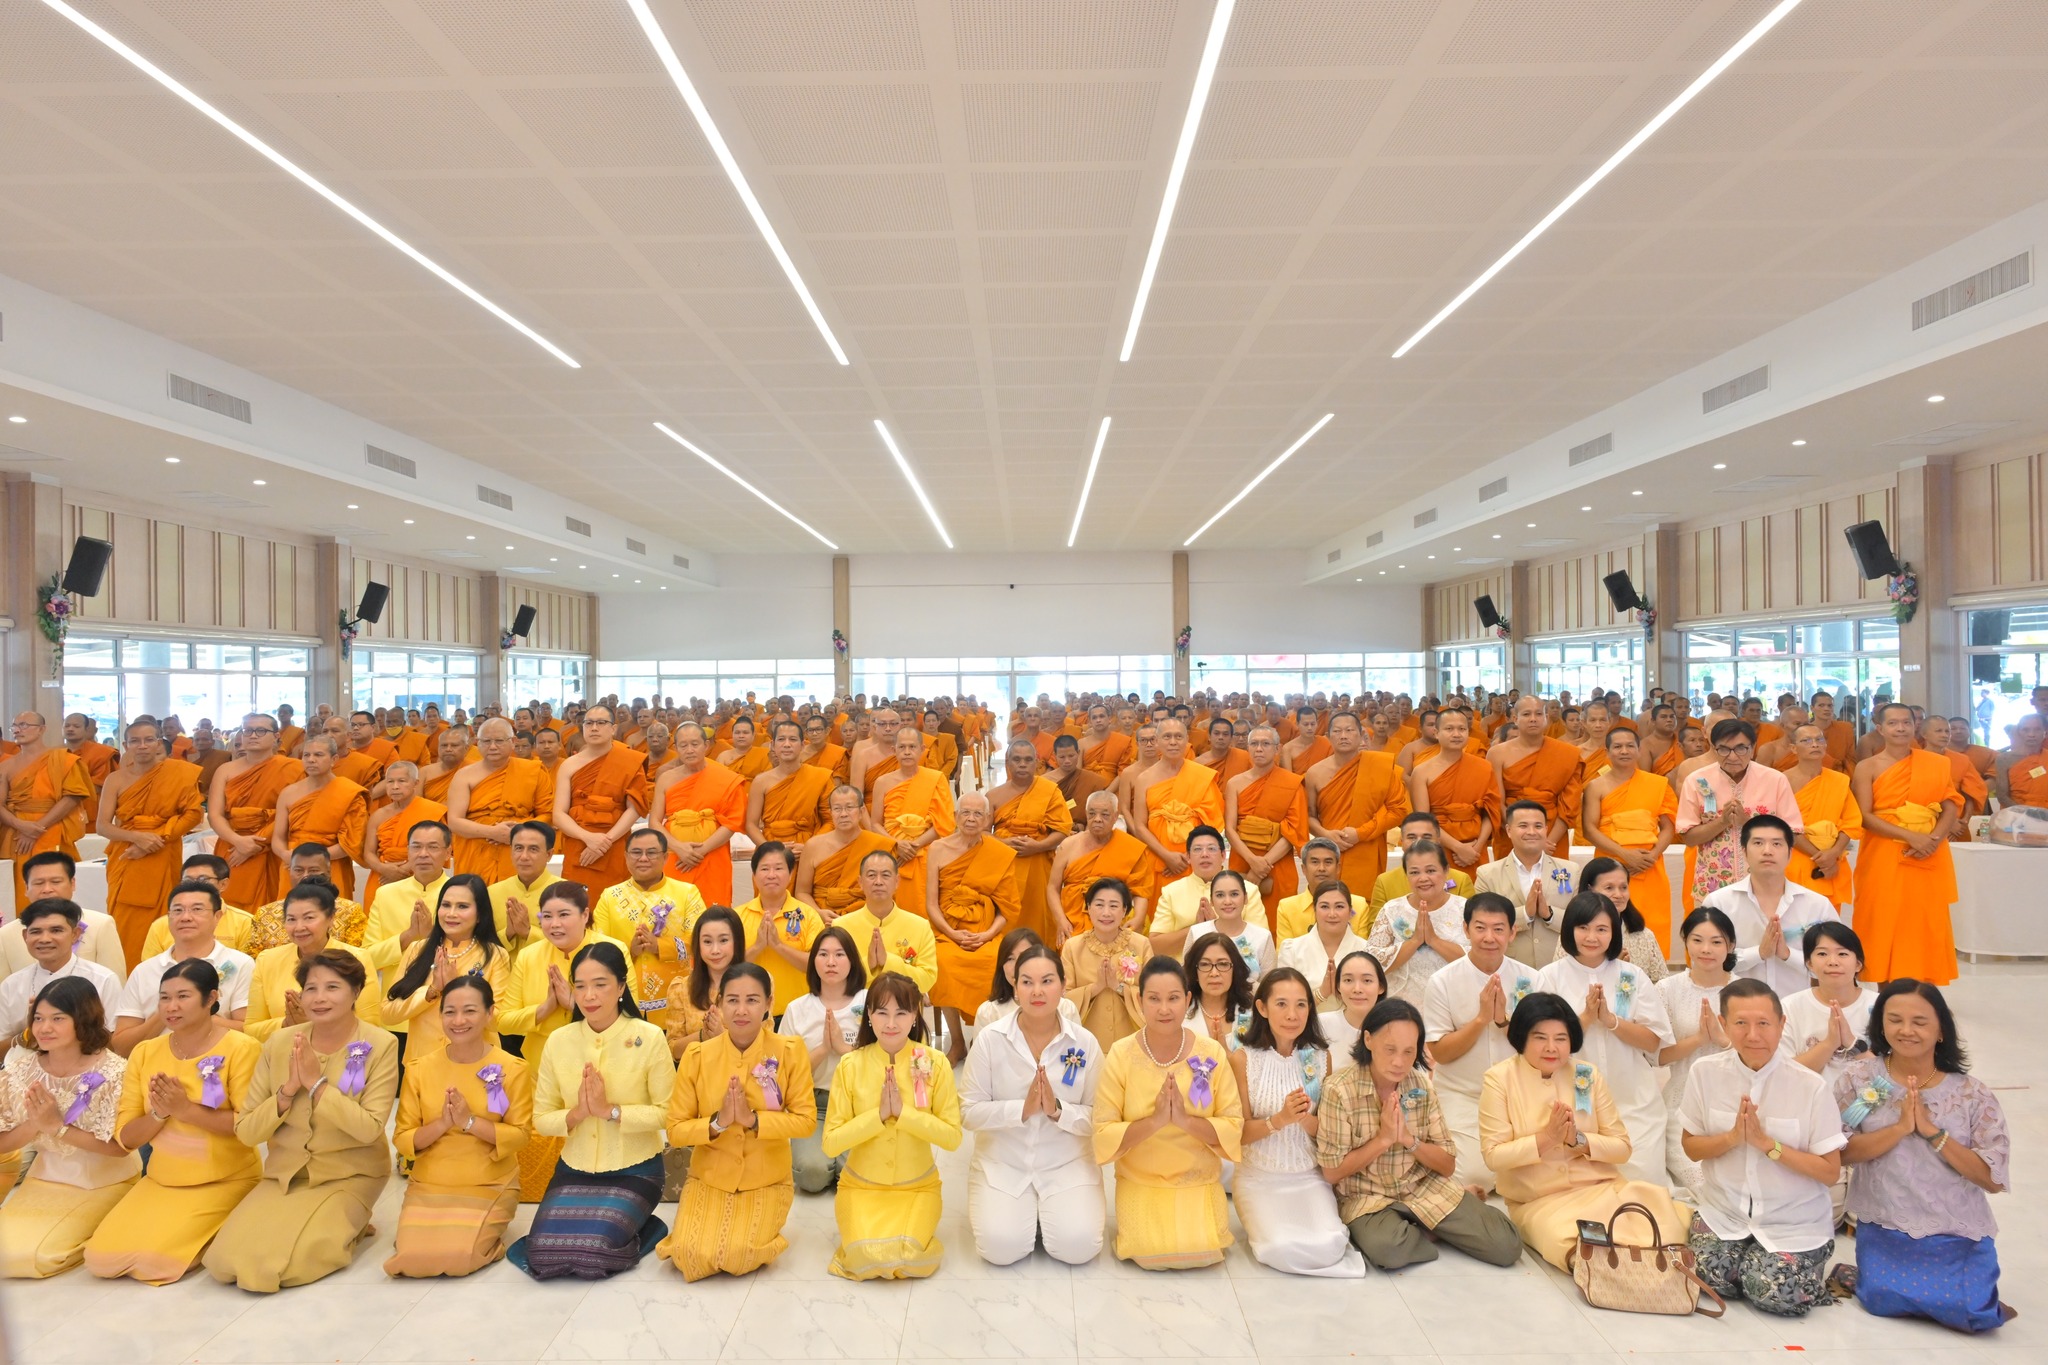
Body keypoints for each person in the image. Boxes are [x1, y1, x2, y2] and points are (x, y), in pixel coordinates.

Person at [203, 950, 398, 1292]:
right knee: (224, 1264)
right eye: (311, 988)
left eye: (333, 987)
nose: (320, 998)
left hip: (351, 1171)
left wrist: (317, 1085)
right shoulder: (279, 1043)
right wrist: (287, 1091)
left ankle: (353, 1222)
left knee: (280, 1269)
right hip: (286, 1173)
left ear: (355, 992)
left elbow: (370, 1129)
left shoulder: (380, 1044)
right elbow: (246, 1131)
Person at [1833, 978, 2011, 1331]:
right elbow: (1840, 1153)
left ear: (1941, 1029)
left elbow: (1992, 1179)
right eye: (1895, 1019)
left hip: (1956, 1233)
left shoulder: (1970, 1094)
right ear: (1881, 1025)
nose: (1906, 1030)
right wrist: (1898, 1129)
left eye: (1919, 1021)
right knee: (1881, 1301)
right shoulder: (1867, 1083)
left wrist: (1933, 1133)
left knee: (1974, 1314)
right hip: (1887, 1227)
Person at [1478, 992, 1688, 1269]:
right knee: (1580, 1246)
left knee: (1662, 1222)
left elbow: (1622, 1148)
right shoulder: (1499, 1079)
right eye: (1540, 1038)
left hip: (1601, 1187)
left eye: (1561, 1039)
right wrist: (1547, 1139)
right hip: (1540, 1200)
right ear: (1521, 1038)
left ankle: (1652, 1268)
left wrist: (1577, 1140)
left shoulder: (1587, 1074)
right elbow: (1494, 1156)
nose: (1551, 1048)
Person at [83, 960, 261, 1283]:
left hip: (224, 1178)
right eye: (164, 997)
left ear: (211, 999)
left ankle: (232, 1219)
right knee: (101, 1260)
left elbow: (249, 1127)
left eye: (183, 996)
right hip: (162, 1179)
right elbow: (127, 1137)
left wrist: (186, 1110)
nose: (171, 1006)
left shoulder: (242, 1048)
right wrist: (159, 1114)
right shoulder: (146, 1052)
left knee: (156, 1265)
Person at [1677, 979, 1844, 1317]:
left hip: (1794, 1225)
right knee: (1705, 1274)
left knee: (1770, 1290)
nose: (1753, 1035)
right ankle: (1749, 1262)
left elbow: (1829, 1172)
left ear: (1782, 1025)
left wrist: (1768, 1145)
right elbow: (1691, 1148)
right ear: (1723, 1025)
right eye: (1740, 1023)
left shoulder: (1810, 1086)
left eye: (1764, 1023)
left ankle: (1770, 1267)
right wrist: (1731, 1139)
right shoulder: (1705, 1073)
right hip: (1725, 1214)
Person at [510, 941, 676, 1279]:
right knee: (543, 1256)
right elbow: (541, 1119)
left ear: (619, 986)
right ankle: (623, 1226)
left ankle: (649, 1228)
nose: (589, 996)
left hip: (637, 1168)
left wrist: (610, 1111)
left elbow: (667, 1112)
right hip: (576, 1166)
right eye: (580, 986)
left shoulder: (649, 1036)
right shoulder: (560, 1040)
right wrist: (578, 1114)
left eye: (600, 985)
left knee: (593, 1254)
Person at [1317, 998, 1522, 1271]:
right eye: (1390, 1049)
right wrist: (1383, 1139)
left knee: (1506, 1245)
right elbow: (1332, 1172)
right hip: (1366, 1198)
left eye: (1408, 1051)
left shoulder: (1420, 1085)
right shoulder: (1339, 1090)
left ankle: (1421, 1225)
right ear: (1368, 1040)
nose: (1399, 1062)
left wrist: (1409, 1141)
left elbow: (1447, 1164)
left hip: (1423, 1188)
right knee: (1388, 1251)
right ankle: (1430, 1228)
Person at [659, 961, 815, 1281]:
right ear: (719, 1004)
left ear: (769, 1004)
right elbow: (675, 1130)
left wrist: (753, 1120)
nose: (741, 1010)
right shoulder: (697, 1057)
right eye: (732, 1000)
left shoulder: (788, 1051)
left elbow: (805, 1121)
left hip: (766, 1178)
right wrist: (717, 1123)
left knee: (738, 1255)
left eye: (752, 1000)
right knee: (690, 1256)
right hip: (710, 1177)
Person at [1092, 956, 1243, 1270]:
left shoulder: (1210, 1052)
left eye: (1174, 998)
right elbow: (1103, 1131)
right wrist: (1156, 1121)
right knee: (1148, 1253)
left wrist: (1185, 1121)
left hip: (1197, 1178)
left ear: (1188, 999)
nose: (1164, 1009)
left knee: (1203, 1251)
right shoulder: (1121, 1053)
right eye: (1154, 999)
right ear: (1139, 1000)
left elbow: (1232, 1123)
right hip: (1141, 1178)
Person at [960, 944, 1105, 1266]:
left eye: (1047, 981)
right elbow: (968, 1112)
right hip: (1003, 1162)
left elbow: (1101, 1117)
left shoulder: (1084, 1043)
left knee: (1079, 1248)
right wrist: (1019, 1111)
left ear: (1064, 986)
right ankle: (1024, 1213)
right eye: (1027, 982)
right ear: (1014, 987)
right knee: (1000, 1250)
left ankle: (1049, 1211)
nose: (1037, 991)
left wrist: (1058, 1111)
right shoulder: (991, 1039)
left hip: (1066, 1162)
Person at [384, 975, 530, 1277]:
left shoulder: (512, 1068)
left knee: (461, 1258)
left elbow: (520, 1136)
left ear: (490, 1014)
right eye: (449, 1011)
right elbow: (402, 1138)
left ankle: (488, 1238)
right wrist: (443, 1123)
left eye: (470, 1011)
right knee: (410, 1260)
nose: (458, 1020)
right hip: (431, 1181)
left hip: (488, 1180)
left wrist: (469, 1122)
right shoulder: (419, 1069)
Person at [821, 969, 963, 1279]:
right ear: (868, 1015)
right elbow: (830, 1142)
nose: (891, 1023)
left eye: (901, 1012)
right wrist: (878, 1117)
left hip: (918, 1188)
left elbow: (953, 1138)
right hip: (860, 1187)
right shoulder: (851, 1065)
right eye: (881, 1012)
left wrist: (904, 1114)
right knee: (864, 1258)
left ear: (915, 1015)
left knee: (909, 1257)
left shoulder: (933, 1062)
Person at [1228, 967, 1365, 1276]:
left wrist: (1303, 1120)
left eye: (1301, 1004)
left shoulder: (1319, 1057)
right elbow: (1237, 1135)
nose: (1292, 1014)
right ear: (1261, 1008)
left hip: (1307, 1174)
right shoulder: (1243, 1060)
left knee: (1331, 1243)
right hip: (1259, 1177)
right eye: (1281, 1004)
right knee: (1280, 1248)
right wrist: (1280, 1119)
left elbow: (1329, 1132)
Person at [0, 978, 141, 1277]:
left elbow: (120, 1148)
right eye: (38, 1018)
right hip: (45, 1178)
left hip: (104, 1180)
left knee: (32, 1259)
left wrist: (56, 1126)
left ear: (84, 1019)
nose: (44, 1028)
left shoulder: (114, 1071)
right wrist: (35, 1125)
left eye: (57, 1019)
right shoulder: (19, 1070)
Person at [1535, 893, 1675, 1186]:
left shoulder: (1632, 976)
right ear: (1570, 930)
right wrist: (1585, 1018)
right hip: (1570, 1101)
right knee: (1581, 1186)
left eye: (1602, 929)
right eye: (1583, 927)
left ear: (1614, 932)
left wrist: (1611, 1021)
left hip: (1632, 1099)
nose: (1591, 937)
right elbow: (1539, 1049)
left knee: (1643, 1183)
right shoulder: (1550, 978)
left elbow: (1653, 1042)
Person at [1420, 892, 1533, 1192]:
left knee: (1534, 1173)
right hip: (1463, 1094)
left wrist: (1503, 1022)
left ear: (1512, 932)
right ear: (1466, 929)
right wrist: (1481, 1020)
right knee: (1473, 1176)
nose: (1489, 937)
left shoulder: (1532, 980)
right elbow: (1440, 1053)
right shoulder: (1442, 981)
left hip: (1520, 1093)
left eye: (1498, 929)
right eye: (1480, 927)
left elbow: (1542, 1049)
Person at [1853, 702, 1963, 985]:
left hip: (1928, 851)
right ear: (1880, 729)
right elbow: (1864, 816)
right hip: (1884, 853)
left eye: (1906, 722)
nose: (1901, 728)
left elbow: (1950, 804)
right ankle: (1885, 989)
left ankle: (1924, 988)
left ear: (1916, 726)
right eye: (1893, 723)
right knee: (1884, 918)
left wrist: (1934, 839)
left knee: (1923, 920)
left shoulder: (1936, 764)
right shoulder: (1867, 767)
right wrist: (1911, 837)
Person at [97, 717, 205, 968]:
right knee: (125, 917)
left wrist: (157, 839)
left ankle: (165, 973)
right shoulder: (116, 779)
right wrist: (136, 838)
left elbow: (192, 814)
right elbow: (103, 826)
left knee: (164, 916)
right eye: (135, 741)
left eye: (148, 740)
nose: (142, 746)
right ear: (125, 745)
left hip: (163, 851)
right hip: (126, 856)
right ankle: (126, 975)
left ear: (158, 743)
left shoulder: (179, 773)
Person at [112, 880, 255, 1054]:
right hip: (155, 1070)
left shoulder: (240, 964)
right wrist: (165, 1013)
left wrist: (197, 1012)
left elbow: (249, 1032)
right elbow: (121, 1046)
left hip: (216, 1069)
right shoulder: (144, 970)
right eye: (178, 910)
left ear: (217, 917)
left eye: (197, 909)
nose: (186, 917)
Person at [1702, 815, 1838, 997]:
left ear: (1790, 853)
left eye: (1776, 844)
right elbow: (1707, 962)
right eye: (1758, 843)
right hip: (1736, 1012)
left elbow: (1835, 964)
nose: (1767, 851)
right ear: (1744, 852)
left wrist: (1788, 955)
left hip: (1795, 1014)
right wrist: (1758, 953)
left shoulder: (1816, 904)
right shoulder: (1718, 903)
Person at [927, 792, 1019, 1060]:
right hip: (947, 931)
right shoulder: (938, 849)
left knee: (995, 962)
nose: (971, 818)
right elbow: (932, 904)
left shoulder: (998, 852)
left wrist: (987, 934)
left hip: (987, 932)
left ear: (988, 819)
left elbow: (1008, 909)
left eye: (978, 814)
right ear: (955, 817)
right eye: (965, 812)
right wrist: (952, 933)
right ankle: (957, 1042)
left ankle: (987, 1041)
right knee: (942, 961)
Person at [381, 874, 511, 1060]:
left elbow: (498, 1021)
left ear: (480, 914)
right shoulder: (417, 950)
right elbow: (387, 1014)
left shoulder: (495, 955)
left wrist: (455, 990)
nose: (451, 913)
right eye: (446, 905)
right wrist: (432, 991)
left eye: (462, 907)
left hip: (476, 1063)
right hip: (422, 1064)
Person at [1677, 718, 1804, 905]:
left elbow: (1792, 832)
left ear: (1752, 749)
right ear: (1713, 748)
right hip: (1713, 884)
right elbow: (1688, 837)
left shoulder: (1774, 780)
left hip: (1765, 883)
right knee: (1714, 934)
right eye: (1724, 749)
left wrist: (1748, 823)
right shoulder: (1697, 780)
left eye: (1741, 748)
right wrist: (1722, 822)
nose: (1733, 756)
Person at [594, 827, 708, 1036]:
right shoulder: (610, 897)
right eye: (636, 852)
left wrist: (659, 946)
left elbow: (702, 942)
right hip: (623, 997)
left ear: (665, 857)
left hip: (675, 997)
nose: (643, 858)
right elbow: (597, 949)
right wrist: (631, 950)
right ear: (626, 857)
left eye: (652, 852)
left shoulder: (687, 893)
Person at [779, 927, 867, 1194]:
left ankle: (842, 1162)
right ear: (812, 961)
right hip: (814, 1104)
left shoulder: (870, 1000)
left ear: (852, 961)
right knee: (811, 1176)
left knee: (858, 1176)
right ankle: (827, 1160)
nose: (831, 962)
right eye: (823, 954)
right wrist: (823, 1050)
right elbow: (785, 1075)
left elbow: (883, 1062)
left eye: (839, 954)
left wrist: (843, 1048)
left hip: (858, 1104)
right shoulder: (797, 1008)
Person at [1656, 907, 1736, 1191]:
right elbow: (1659, 1057)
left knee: (1739, 1180)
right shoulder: (1667, 989)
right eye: (1697, 940)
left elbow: (1760, 1057)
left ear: (1730, 946)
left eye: (1716, 942)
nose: (1706, 949)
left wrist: (1723, 1040)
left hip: (1735, 1103)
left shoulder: (1746, 990)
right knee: (1702, 1183)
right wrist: (1700, 1039)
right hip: (1681, 1104)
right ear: (1685, 941)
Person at [246, 881, 385, 1042]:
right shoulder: (268, 959)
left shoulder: (357, 958)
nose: (299, 927)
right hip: (283, 1055)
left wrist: (313, 1023)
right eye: (291, 919)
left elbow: (370, 1025)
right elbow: (251, 1029)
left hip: (342, 1057)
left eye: (309, 918)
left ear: (331, 918)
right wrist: (286, 1023)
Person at [1581, 725, 1678, 957]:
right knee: (1607, 916)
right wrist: (1624, 857)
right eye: (1617, 746)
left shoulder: (1658, 784)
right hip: (1610, 863)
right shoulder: (1596, 786)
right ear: (1607, 751)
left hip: (1649, 863)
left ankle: (1652, 972)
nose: (1624, 751)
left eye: (1629, 746)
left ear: (1638, 749)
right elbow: (1589, 829)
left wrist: (1652, 856)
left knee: (1652, 919)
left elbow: (1669, 826)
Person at [204, 712, 305, 913]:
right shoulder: (225, 770)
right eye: (248, 730)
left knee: (275, 907)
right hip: (232, 846)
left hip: (274, 845)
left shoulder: (294, 768)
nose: (253, 735)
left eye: (261, 731)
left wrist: (255, 842)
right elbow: (215, 815)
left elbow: (295, 812)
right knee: (231, 907)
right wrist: (238, 842)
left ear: (276, 736)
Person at [1303, 712, 1410, 892]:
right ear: (1328, 737)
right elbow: (1308, 816)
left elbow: (1399, 810)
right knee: (1328, 904)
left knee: (1363, 907)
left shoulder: (1379, 766)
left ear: (1361, 735)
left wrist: (1360, 833)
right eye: (1337, 731)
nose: (1343, 736)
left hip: (1366, 848)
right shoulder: (1314, 773)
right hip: (1329, 850)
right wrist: (1326, 834)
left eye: (1349, 730)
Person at [552, 705, 649, 897]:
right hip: (579, 843)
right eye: (589, 723)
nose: (594, 728)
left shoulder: (628, 760)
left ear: (613, 729)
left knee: (614, 901)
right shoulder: (569, 765)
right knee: (576, 902)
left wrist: (606, 841)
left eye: (601, 723)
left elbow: (634, 809)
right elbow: (558, 814)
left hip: (615, 843)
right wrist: (588, 838)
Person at [2, 712, 96, 908]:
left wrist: (38, 827)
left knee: (55, 881)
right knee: (22, 887)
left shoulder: (61, 759)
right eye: (15, 726)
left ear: (42, 729)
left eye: (25, 724)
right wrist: (20, 825)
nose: (18, 730)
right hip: (18, 834)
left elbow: (73, 796)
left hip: (51, 829)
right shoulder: (6, 766)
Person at [984, 740, 1073, 943]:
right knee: (1007, 917)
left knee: (1040, 914)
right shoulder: (994, 795)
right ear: (1007, 762)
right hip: (1005, 866)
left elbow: (1062, 829)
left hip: (1039, 865)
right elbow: (982, 834)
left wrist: (1038, 846)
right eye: (1016, 759)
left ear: (1037, 763)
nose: (1022, 764)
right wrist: (1004, 844)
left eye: (1027, 760)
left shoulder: (1049, 791)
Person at [0, 898, 123, 1041]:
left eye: (56, 930)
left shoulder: (103, 980)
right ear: (25, 936)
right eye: (36, 932)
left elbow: (116, 1044)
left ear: (75, 935)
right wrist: (28, 1035)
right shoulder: (11, 985)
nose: (45, 939)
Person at [1472, 802, 1575, 967]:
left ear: (1546, 830)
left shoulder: (1571, 870)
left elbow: (1581, 921)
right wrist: (1524, 913)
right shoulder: (1487, 874)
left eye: (1538, 826)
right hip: (1510, 966)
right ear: (1508, 831)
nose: (1532, 832)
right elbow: (1480, 923)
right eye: (1523, 826)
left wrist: (1549, 914)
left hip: (1560, 965)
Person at [1365, 841, 1467, 1005]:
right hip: (1400, 1005)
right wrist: (1415, 941)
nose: (1423, 878)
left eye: (1431, 870)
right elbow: (1371, 963)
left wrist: (1434, 940)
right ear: (1406, 875)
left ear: (1446, 870)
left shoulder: (1465, 909)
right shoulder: (1392, 909)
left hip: (1454, 1003)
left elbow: (1480, 959)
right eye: (1414, 872)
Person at [269, 735, 369, 901]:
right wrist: (289, 856)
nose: (311, 760)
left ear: (334, 759)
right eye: (306, 755)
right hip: (294, 864)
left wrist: (314, 859)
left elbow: (350, 843)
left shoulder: (349, 793)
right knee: (294, 916)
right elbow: (278, 838)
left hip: (330, 863)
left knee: (333, 918)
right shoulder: (288, 793)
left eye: (318, 755)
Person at [872, 725, 957, 917]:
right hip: (893, 853)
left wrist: (914, 846)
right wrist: (896, 844)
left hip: (925, 852)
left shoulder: (936, 779)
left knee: (924, 908)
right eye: (902, 747)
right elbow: (875, 823)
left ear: (922, 749)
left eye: (912, 747)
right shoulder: (882, 782)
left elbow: (944, 823)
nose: (907, 752)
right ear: (894, 750)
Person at [828, 852, 940, 998]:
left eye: (886, 875)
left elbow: (927, 981)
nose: (878, 881)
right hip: (855, 1013)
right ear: (860, 882)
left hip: (904, 1012)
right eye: (871, 875)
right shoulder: (841, 926)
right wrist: (868, 965)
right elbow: (835, 979)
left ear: (897, 881)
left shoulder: (920, 926)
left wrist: (888, 961)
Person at [1046, 791, 1156, 938]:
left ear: (1116, 817)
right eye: (1092, 814)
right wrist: (1060, 920)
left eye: (1105, 815)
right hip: (1073, 922)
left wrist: (1138, 918)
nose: (1097, 819)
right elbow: (1053, 887)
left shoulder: (1131, 847)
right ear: (1086, 814)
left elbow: (1141, 890)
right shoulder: (1068, 845)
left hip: (1114, 919)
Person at [1782, 921, 1876, 1092]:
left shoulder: (1881, 1007)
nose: (1833, 962)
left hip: (1871, 1112)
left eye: (1842, 954)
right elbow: (1782, 1073)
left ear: (1858, 964)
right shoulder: (1789, 1007)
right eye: (1822, 954)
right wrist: (1829, 1044)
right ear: (1809, 963)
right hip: (1807, 1106)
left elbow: (1894, 1073)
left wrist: (1852, 1044)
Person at [1486, 697, 1584, 859]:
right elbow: (1496, 801)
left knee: (1552, 882)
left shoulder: (1567, 753)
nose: (1533, 719)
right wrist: (1519, 836)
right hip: (1511, 833)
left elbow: (1570, 805)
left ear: (1546, 717)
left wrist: (1547, 841)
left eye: (1538, 714)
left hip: (1551, 834)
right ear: (1515, 719)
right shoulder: (1497, 753)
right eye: (1526, 714)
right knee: (1510, 883)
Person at [1407, 708, 1500, 877]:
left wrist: (1476, 848)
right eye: (1449, 729)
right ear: (1436, 733)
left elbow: (1491, 812)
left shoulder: (1484, 767)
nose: (1456, 734)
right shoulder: (1421, 772)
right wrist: (1458, 848)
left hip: (1475, 848)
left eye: (1462, 729)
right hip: (1438, 847)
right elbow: (1424, 820)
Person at [1062, 877, 1151, 1050]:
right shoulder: (1072, 947)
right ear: (1088, 907)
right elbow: (1063, 999)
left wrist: (1117, 986)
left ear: (1125, 910)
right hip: (1085, 1044)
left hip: (1132, 1041)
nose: (1106, 913)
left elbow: (1152, 995)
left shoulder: (1141, 944)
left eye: (1114, 905)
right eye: (1099, 905)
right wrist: (1096, 987)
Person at [1782, 723, 1861, 909]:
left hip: (1831, 862)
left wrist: (1833, 854)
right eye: (1806, 740)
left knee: (1827, 925)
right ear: (1793, 748)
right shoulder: (1782, 780)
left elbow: (1852, 822)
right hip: (1794, 858)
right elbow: (1782, 826)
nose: (1815, 744)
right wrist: (1822, 858)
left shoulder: (1839, 780)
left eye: (1819, 740)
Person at [793, 784, 897, 921]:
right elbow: (801, 892)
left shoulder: (880, 845)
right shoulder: (813, 846)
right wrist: (818, 913)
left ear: (861, 811)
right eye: (837, 809)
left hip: (866, 918)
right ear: (831, 813)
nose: (843, 814)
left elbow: (888, 891)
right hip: (823, 918)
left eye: (849, 807)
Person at [744, 719, 832, 862]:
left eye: (793, 739)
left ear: (803, 745)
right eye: (781, 739)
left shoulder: (820, 777)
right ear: (772, 745)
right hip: (770, 853)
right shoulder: (761, 781)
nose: (787, 744)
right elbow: (751, 824)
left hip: (809, 850)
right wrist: (770, 848)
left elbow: (830, 821)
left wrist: (810, 846)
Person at [1576, 856, 1669, 981]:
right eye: (1609, 888)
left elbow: (1661, 987)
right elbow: (1562, 986)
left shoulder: (1644, 937)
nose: (1619, 895)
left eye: (1623, 887)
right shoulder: (1575, 933)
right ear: (1589, 889)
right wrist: (1612, 971)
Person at [667, 905, 745, 1055]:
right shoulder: (681, 988)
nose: (715, 950)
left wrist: (722, 1035)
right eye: (707, 942)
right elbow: (672, 1050)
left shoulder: (757, 984)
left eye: (723, 940)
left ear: (737, 941)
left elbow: (764, 1044)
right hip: (696, 1075)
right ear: (698, 945)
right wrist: (703, 1035)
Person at [1318, 950, 1388, 1061]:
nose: (1357, 989)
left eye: (1367, 980)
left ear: (1381, 987)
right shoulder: (1321, 1024)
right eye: (1348, 980)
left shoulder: (1394, 1028)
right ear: (1338, 986)